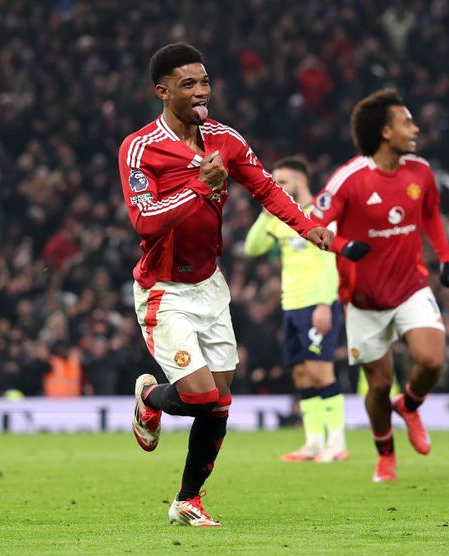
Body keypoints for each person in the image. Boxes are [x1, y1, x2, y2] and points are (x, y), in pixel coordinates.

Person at [118, 43, 333, 527]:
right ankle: (150, 398)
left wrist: (307, 226)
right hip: (163, 289)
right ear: (163, 91)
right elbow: (144, 221)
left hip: (210, 287)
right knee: (196, 396)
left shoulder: (225, 139)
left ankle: (187, 500)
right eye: (188, 84)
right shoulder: (139, 147)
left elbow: (267, 187)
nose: (201, 92)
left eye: (205, 82)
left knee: (219, 403)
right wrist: (199, 184)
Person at [310, 89, 449, 482]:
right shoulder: (349, 178)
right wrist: (343, 245)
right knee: (377, 387)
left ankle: (409, 405)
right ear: (385, 132)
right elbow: (314, 222)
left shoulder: (421, 171)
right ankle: (385, 453)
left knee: (432, 360)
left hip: (411, 287)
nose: (416, 128)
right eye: (406, 122)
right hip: (364, 300)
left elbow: (431, 215)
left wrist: (445, 257)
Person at [244, 156, 347, 463]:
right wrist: (266, 213)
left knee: (320, 370)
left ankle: (337, 442)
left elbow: (331, 263)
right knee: (302, 374)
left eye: (283, 182)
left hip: (317, 304)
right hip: (291, 305)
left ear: (301, 181)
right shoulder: (280, 217)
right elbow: (252, 248)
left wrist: (325, 304)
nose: (276, 187)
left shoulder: (322, 214)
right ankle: (314, 442)